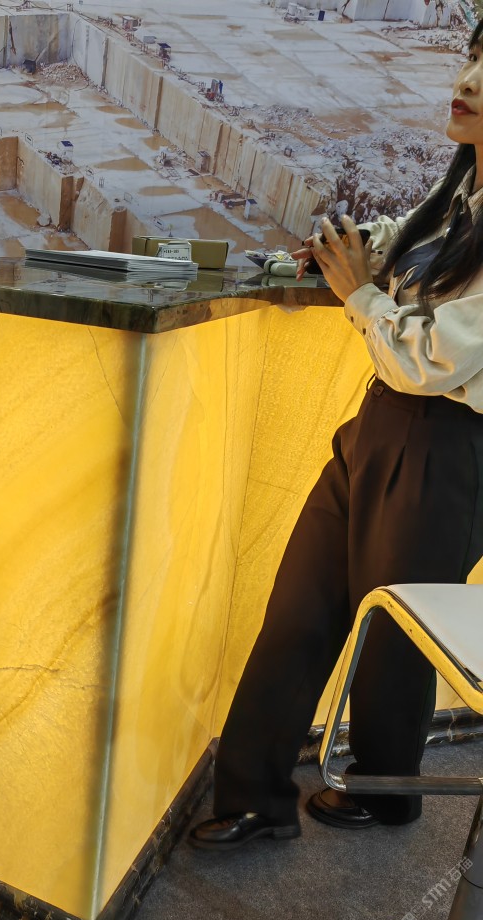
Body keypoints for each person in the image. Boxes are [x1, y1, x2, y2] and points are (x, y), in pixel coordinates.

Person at [190, 20, 483, 851]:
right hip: (380, 424)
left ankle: (389, 793)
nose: (466, 80)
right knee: (299, 606)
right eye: (471, 58)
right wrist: (340, 255)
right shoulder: (459, 196)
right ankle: (254, 795)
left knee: (394, 640)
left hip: (447, 448)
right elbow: (393, 248)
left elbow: (429, 357)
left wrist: (360, 295)